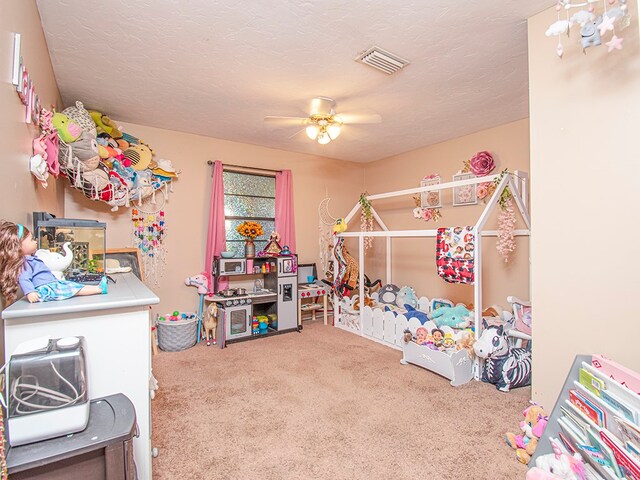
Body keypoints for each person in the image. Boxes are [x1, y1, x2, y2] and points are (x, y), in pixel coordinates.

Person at [0, 220, 107, 306]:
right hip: (46, 288)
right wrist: (30, 292)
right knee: (72, 288)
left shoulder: (32, 259)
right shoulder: (25, 263)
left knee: (72, 286)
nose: (36, 241)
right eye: (32, 240)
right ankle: (98, 289)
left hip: (51, 284)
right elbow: (23, 278)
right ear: (19, 246)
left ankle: (98, 288)